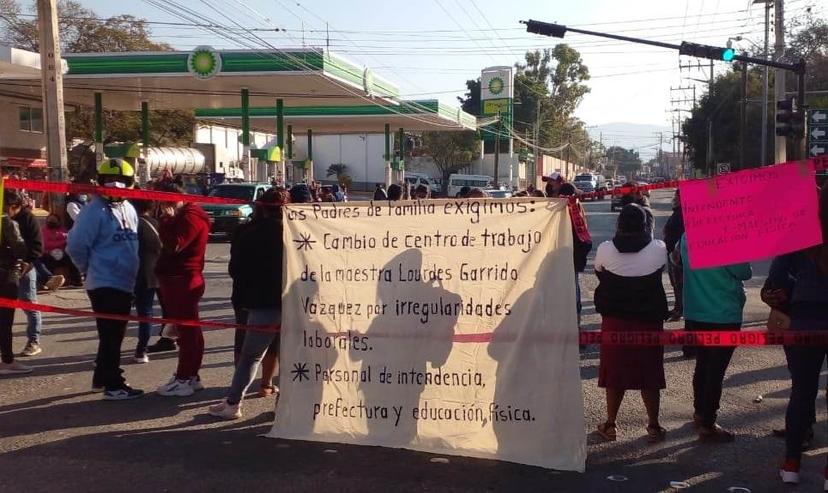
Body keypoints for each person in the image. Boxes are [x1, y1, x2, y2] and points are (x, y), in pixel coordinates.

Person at [66, 158, 143, 400]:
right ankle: (113, 384)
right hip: (104, 282)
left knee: (112, 334)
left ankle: (101, 378)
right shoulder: (93, 211)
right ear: (100, 182)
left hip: (125, 281)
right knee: (112, 335)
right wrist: (87, 269)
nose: (115, 185)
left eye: (122, 181)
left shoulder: (128, 208)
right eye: (109, 180)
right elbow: (76, 245)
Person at [209, 188, 288, 419]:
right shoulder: (295, 233)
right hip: (292, 302)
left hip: (262, 303)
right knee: (289, 357)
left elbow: (236, 270)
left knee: (251, 356)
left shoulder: (249, 233)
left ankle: (234, 403)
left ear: (261, 207)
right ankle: (284, 406)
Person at [593, 204, 669, 443]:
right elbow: (662, 267)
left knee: (614, 373)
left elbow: (599, 272)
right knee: (650, 372)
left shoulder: (605, 249)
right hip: (649, 320)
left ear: (619, 225)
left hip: (615, 320)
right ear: (646, 225)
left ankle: (611, 424)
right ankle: (654, 425)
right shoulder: (658, 248)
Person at [768, 187, 828, 486]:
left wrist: (795, 291)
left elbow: (777, 275)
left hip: (804, 320)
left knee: (801, 394)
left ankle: (791, 464)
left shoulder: (802, 230)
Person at [673, 232, 751, 442]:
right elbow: (744, 272)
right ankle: (708, 423)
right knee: (715, 371)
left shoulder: (688, 236)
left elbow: (677, 259)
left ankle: (700, 413)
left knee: (703, 364)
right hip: (723, 313)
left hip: (696, 311)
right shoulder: (728, 238)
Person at [155, 182, 211, 397]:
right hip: (175, 278)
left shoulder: (190, 215)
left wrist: (166, 221)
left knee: (188, 331)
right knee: (185, 330)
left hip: (183, 279)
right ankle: (190, 375)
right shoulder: (186, 213)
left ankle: (185, 377)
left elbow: (176, 244)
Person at [6, 191, 44, 357]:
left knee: (29, 304)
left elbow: (37, 247)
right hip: (5, 269)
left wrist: (26, 264)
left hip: (24, 268)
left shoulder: (28, 219)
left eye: (6, 208)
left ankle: (33, 341)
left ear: (15, 207)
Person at [0, 198, 33, 375]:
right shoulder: (7, 222)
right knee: (5, 320)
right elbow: (20, 248)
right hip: (6, 274)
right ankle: (7, 360)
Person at [132, 198, 162, 363]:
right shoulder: (157, 224)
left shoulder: (134, 225)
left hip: (140, 273)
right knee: (152, 312)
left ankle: (141, 350)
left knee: (144, 313)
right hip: (159, 273)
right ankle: (142, 350)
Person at [559, 183, 592, 327]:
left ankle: (573, 329)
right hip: (569, 261)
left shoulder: (570, 212)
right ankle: (574, 328)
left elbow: (584, 241)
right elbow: (586, 242)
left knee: (571, 296)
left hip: (566, 260)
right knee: (572, 296)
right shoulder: (575, 212)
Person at [39, 213, 82, 289]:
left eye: (54, 220)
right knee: (46, 261)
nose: (51, 222)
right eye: (50, 220)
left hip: (62, 253)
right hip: (49, 253)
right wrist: (61, 242)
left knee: (71, 259)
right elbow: (46, 244)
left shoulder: (63, 229)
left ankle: (77, 280)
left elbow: (69, 239)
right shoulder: (44, 230)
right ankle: (49, 282)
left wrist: (61, 243)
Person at [663, 190, 685, 323]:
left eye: (677, 196)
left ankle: (680, 310)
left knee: (680, 284)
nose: (675, 198)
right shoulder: (678, 211)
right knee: (676, 284)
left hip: (680, 256)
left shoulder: (684, 212)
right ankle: (677, 308)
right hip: (673, 253)